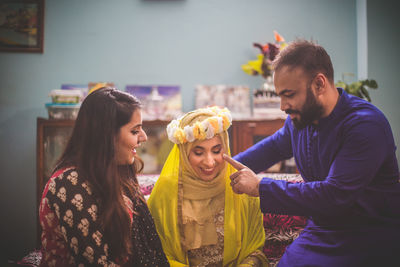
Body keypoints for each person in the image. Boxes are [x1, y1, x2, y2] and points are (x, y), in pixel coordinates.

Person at [223, 39, 400, 266]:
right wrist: (221, 167)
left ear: (319, 84)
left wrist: (260, 187)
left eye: (289, 94)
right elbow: (273, 147)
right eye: (280, 96)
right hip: (322, 229)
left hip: (370, 235)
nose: (282, 106)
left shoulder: (365, 125)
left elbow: (333, 195)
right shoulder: (300, 119)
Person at [39, 88, 169, 266]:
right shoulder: (69, 183)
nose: (144, 137)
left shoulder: (117, 171)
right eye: (134, 131)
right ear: (107, 136)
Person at [148, 107, 269, 267]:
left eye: (217, 151)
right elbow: (158, 255)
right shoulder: (166, 192)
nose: (209, 162)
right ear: (184, 153)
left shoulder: (241, 187)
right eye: (198, 153)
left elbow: (254, 252)